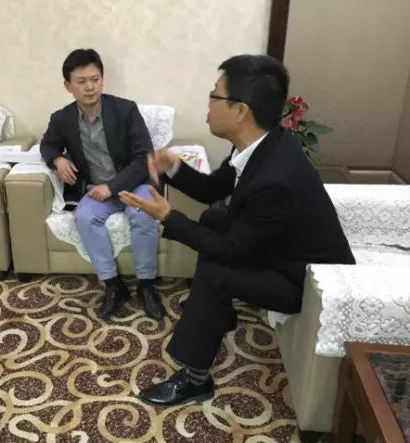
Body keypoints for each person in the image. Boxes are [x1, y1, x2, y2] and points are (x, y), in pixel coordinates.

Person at [119, 54, 355, 406]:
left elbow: (232, 251)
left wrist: (167, 216)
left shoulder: (275, 179)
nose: (208, 104)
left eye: (214, 95)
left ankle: (195, 380)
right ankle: (218, 313)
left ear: (240, 110)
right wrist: (174, 168)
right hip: (280, 248)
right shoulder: (263, 142)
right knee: (213, 220)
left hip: (304, 280)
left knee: (216, 274)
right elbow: (215, 189)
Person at [41, 49, 164, 320]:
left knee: (142, 214)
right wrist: (57, 159)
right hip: (96, 189)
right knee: (84, 218)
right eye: (82, 81)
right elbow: (47, 144)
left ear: (102, 80)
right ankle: (113, 284)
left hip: (133, 184)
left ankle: (146, 285)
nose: (90, 87)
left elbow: (144, 157)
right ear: (68, 86)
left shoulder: (126, 110)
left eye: (95, 79)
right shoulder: (62, 119)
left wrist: (112, 187)